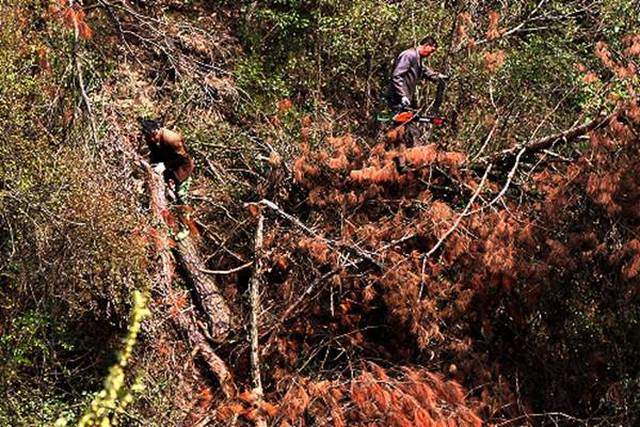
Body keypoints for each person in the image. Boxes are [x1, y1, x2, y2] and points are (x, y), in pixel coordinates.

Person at [387, 36, 448, 113]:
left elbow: (424, 71)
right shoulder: (409, 55)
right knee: (400, 122)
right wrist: (402, 95)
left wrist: (438, 76)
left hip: (405, 98)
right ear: (426, 46)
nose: (430, 54)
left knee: (406, 121)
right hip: (397, 98)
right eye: (431, 51)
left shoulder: (417, 58)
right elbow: (397, 76)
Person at [141, 119, 195, 205]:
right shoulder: (149, 137)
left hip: (182, 167)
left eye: (154, 135)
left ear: (158, 129)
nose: (152, 139)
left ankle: (186, 213)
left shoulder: (172, 139)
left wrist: (166, 167)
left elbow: (181, 158)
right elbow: (155, 153)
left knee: (181, 195)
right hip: (167, 165)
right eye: (149, 136)